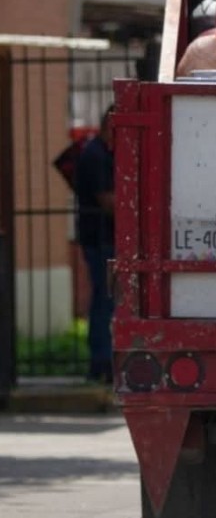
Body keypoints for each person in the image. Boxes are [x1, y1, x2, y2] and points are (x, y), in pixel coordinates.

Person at [74, 106, 115, 383]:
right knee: (104, 299)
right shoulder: (96, 154)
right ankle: (100, 362)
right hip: (100, 238)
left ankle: (103, 360)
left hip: (103, 237)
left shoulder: (102, 152)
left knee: (107, 299)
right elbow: (107, 201)